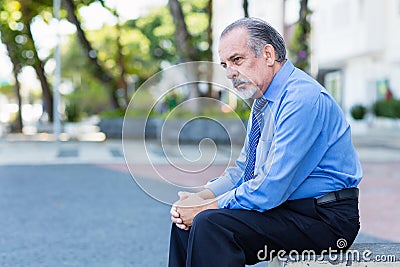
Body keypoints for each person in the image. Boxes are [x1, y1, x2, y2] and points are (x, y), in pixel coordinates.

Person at [168, 17, 362, 267]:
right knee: (186, 225)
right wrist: (201, 197)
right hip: (288, 209)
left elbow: (272, 187)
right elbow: (244, 170)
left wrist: (209, 207)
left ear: (268, 55)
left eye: (237, 60)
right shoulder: (262, 105)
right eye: (225, 65)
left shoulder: (302, 98)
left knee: (210, 224)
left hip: (326, 219)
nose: (230, 73)